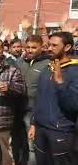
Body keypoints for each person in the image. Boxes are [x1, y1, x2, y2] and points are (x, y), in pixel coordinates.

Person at [28, 32, 78, 165]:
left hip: (62, 132)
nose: (49, 48)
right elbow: (39, 98)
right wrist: (33, 123)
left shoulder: (75, 71)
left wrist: (60, 83)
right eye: (49, 45)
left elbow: (74, 105)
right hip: (41, 130)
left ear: (67, 47)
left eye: (54, 45)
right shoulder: (47, 68)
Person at [16, 35, 50, 165]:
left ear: (42, 47)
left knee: (32, 145)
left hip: (34, 111)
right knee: (18, 141)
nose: (30, 50)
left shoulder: (48, 64)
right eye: (28, 47)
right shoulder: (19, 61)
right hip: (17, 108)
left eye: (34, 47)